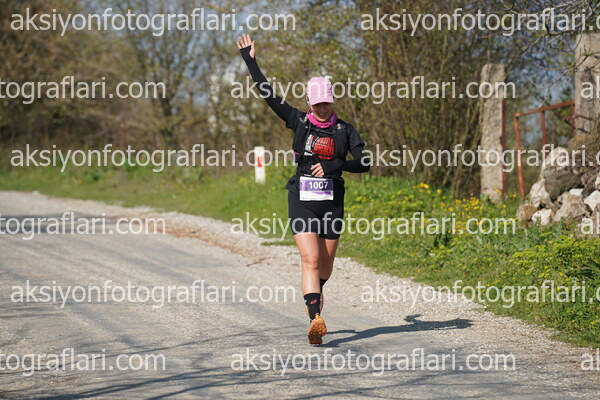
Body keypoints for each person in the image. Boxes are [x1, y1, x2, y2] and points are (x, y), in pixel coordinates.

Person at [236, 33, 370, 344]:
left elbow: (364, 164)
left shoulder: (345, 131)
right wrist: (250, 62)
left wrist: (335, 166)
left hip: (332, 201)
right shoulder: (298, 121)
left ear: (332, 101)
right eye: (317, 102)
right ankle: (315, 320)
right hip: (303, 198)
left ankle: (315, 293)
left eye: (326, 102)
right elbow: (269, 95)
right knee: (310, 260)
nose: (322, 107)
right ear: (309, 101)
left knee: (326, 266)